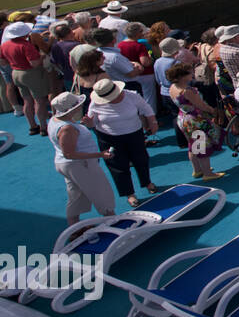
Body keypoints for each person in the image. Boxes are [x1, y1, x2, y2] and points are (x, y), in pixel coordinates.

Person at [86, 78, 158, 208]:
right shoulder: (95, 103)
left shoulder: (132, 96)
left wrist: (153, 122)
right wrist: (88, 123)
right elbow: (93, 123)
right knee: (118, 166)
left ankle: (147, 182)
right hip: (108, 137)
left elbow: (146, 108)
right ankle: (129, 194)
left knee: (141, 159)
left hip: (134, 134)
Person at [47, 91, 115, 226]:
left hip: (68, 165)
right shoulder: (67, 128)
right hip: (79, 165)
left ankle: (74, 228)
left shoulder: (57, 120)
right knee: (100, 192)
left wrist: (86, 125)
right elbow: (70, 154)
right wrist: (100, 155)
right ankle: (113, 221)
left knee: (76, 196)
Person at [166, 62, 225, 181]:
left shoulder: (173, 87)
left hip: (183, 118)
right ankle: (207, 173)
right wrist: (213, 110)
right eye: (189, 72)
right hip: (195, 120)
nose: (192, 73)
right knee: (201, 146)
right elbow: (201, 105)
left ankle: (197, 170)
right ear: (182, 76)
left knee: (192, 146)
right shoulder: (188, 91)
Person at [1, 22, 49, 135]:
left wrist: (14, 61)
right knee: (39, 101)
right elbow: (34, 63)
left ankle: (32, 126)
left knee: (27, 100)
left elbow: (2, 62)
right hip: (30, 74)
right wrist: (41, 57)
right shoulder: (26, 45)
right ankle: (43, 127)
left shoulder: (5, 45)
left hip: (16, 73)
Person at [49, 22, 78, 92]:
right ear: (70, 33)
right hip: (79, 77)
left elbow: (54, 62)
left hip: (67, 77)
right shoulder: (76, 45)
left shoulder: (55, 47)